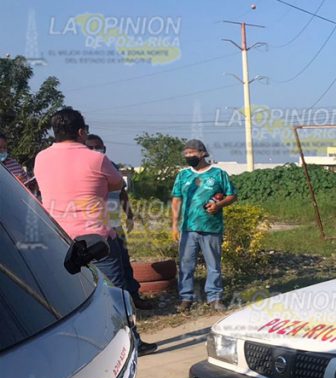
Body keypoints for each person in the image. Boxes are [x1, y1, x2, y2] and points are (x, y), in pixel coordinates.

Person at [34, 108, 157, 355]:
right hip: (97, 240)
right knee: (115, 294)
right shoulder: (95, 159)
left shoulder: (41, 158)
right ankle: (131, 343)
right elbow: (117, 184)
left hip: (60, 240)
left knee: (74, 297)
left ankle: (86, 347)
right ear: (81, 132)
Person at [85, 134, 155, 311]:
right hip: (98, 229)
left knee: (124, 263)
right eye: (91, 147)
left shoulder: (111, 166)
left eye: (99, 147)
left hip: (116, 225)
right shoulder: (85, 170)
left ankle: (133, 297)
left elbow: (122, 194)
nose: (96, 150)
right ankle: (112, 306)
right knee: (107, 270)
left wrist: (129, 215)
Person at [171, 139, 236, 312]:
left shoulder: (218, 174)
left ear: (202, 153)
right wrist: (174, 224)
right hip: (188, 228)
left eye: (192, 152)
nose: (188, 156)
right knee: (186, 265)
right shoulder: (183, 175)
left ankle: (214, 297)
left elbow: (231, 195)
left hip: (211, 227)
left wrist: (218, 205)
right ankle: (186, 298)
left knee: (213, 264)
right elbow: (176, 199)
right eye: (186, 153)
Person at [0, 132, 38, 198]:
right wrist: (13, 183)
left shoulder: (14, 163)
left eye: (5, 147)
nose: (2, 150)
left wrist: (27, 183)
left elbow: (27, 179)